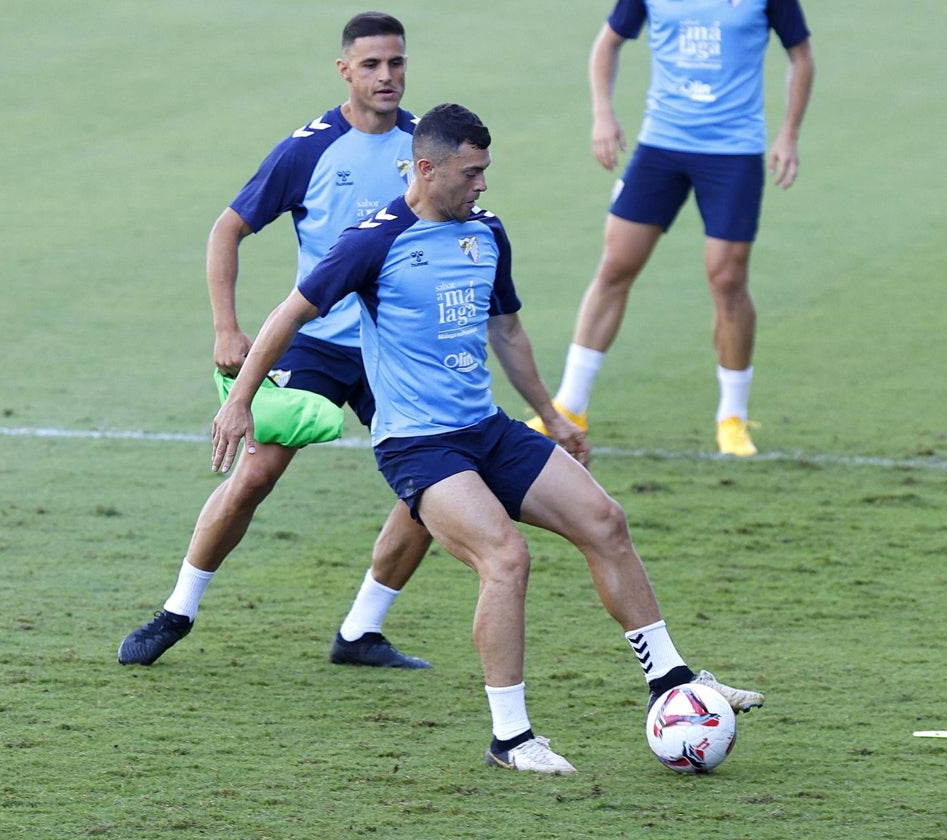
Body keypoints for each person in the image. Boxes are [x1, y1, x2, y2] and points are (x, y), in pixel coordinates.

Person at [211, 103, 764, 774]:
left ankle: (672, 681)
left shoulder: (488, 232)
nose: (482, 186)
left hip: (487, 430)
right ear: (426, 169)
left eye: (485, 172)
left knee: (605, 520)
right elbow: (288, 313)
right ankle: (511, 738)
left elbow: (507, 332)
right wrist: (241, 400)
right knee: (505, 557)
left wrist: (553, 416)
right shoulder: (372, 241)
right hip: (419, 446)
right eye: (470, 174)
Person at [118, 12, 434, 669]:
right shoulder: (309, 149)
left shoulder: (424, 149)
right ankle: (177, 611)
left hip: (393, 350)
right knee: (256, 472)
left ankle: (360, 631)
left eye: (396, 63)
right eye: (371, 64)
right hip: (313, 339)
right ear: (345, 70)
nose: (386, 76)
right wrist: (226, 327)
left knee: (436, 486)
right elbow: (225, 230)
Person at [530, 0, 815, 456]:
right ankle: (571, 404)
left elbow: (801, 56)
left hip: (733, 151)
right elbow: (608, 43)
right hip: (661, 145)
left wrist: (789, 134)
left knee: (727, 278)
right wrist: (602, 112)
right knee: (616, 265)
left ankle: (732, 419)